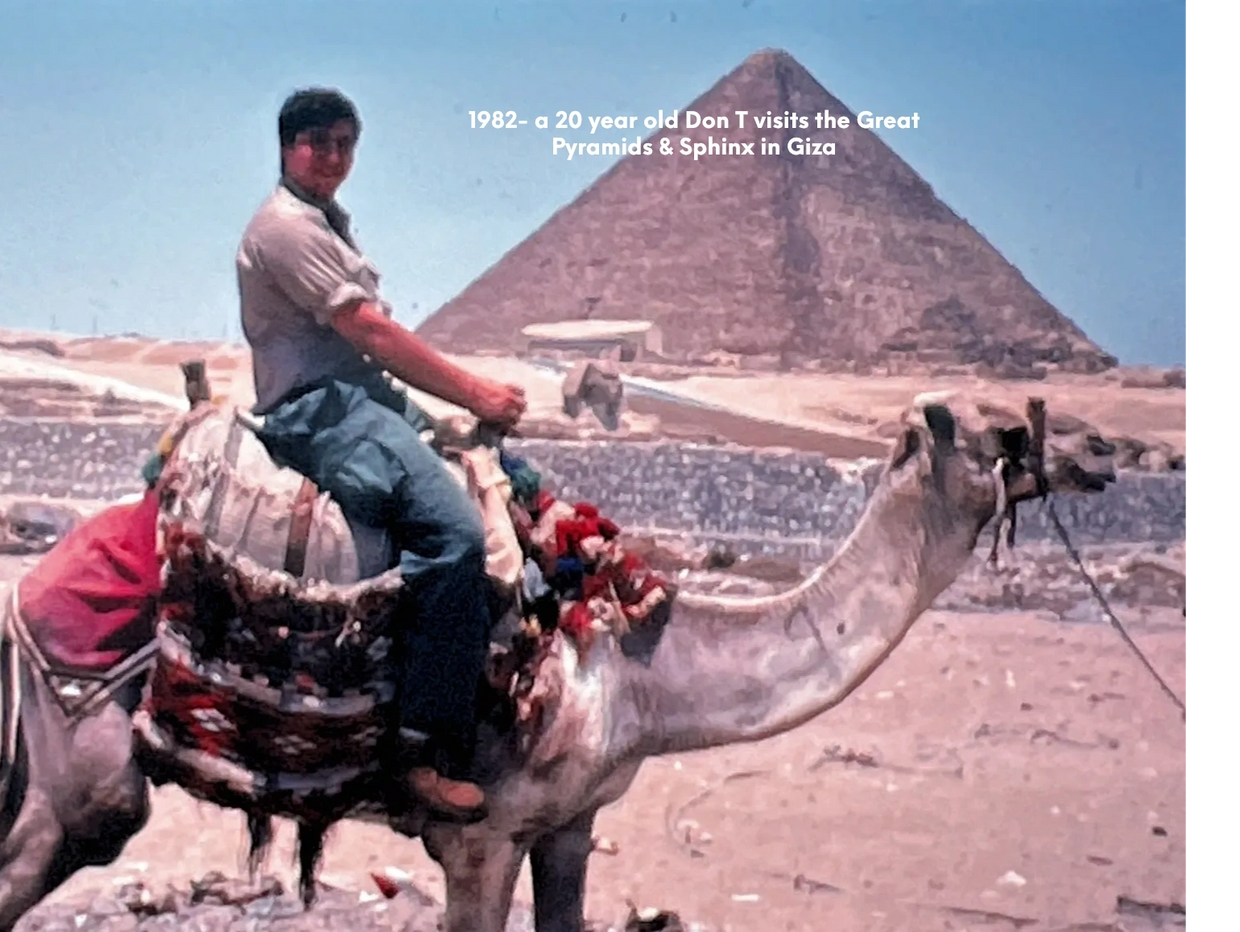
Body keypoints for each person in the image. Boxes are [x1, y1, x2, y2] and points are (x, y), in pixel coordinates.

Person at [234, 87, 527, 820]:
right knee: (453, 534)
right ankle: (419, 754)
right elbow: (369, 330)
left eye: (344, 144)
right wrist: (475, 394)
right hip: (319, 411)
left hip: (357, 396)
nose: (333, 157)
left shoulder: (327, 222)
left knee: (498, 477)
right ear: (286, 145)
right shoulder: (286, 229)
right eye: (318, 143)